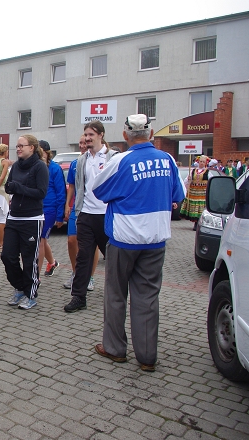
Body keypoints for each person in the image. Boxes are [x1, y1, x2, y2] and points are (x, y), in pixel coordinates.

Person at [92, 114, 185, 372]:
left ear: (125, 135)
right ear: (151, 133)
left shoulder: (120, 160)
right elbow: (178, 194)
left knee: (115, 295)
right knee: (147, 297)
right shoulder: (168, 160)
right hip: (155, 240)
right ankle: (146, 357)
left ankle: (115, 349)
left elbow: (99, 190)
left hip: (124, 239)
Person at [64, 120, 118, 313]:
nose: (87, 138)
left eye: (91, 135)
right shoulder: (82, 160)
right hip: (86, 214)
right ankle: (79, 297)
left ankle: (117, 295)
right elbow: (80, 187)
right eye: (85, 135)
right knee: (83, 256)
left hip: (106, 215)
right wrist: (76, 210)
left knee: (113, 258)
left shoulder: (113, 157)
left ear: (101, 135)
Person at [2, 134, 49, 310]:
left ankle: (31, 294)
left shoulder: (40, 166)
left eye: (22, 146)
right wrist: (10, 187)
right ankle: (20, 287)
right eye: (17, 146)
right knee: (7, 256)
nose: (18, 149)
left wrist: (19, 188)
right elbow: (9, 185)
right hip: (14, 216)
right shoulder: (16, 166)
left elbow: (41, 193)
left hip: (32, 218)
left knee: (29, 259)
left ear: (32, 147)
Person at [63, 135, 99, 291]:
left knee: (92, 244)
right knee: (72, 240)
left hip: (93, 209)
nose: (82, 145)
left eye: (85, 143)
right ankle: (76, 273)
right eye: (80, 143)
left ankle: (89, 277)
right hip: (78, 207)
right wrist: (67, 204)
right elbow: (71, 186)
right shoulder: (75, 163)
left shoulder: (98, 161)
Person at [38, 140, 66, 279]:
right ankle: (52, 263)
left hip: (49, 209)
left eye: (40, 150)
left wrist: (60, 215)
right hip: (37, 208)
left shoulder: (55, 168)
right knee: (42, 240)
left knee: (41, 240)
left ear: (46, 152)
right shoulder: (36, 167)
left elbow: (61, 192)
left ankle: (35, 276)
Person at [180, 155, 211, 230]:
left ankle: (199, 223)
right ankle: (195, 223)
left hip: (202, 193)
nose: (202, 163)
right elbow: (186, 180)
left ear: (205, 163)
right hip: (194, 193)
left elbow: (211, 181)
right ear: (198, 162)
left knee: (201, 209)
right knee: (194, 208)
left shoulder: (208, 172)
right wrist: (188, 180)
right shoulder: (193, 171)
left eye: (203, 162)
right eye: (200, 161)